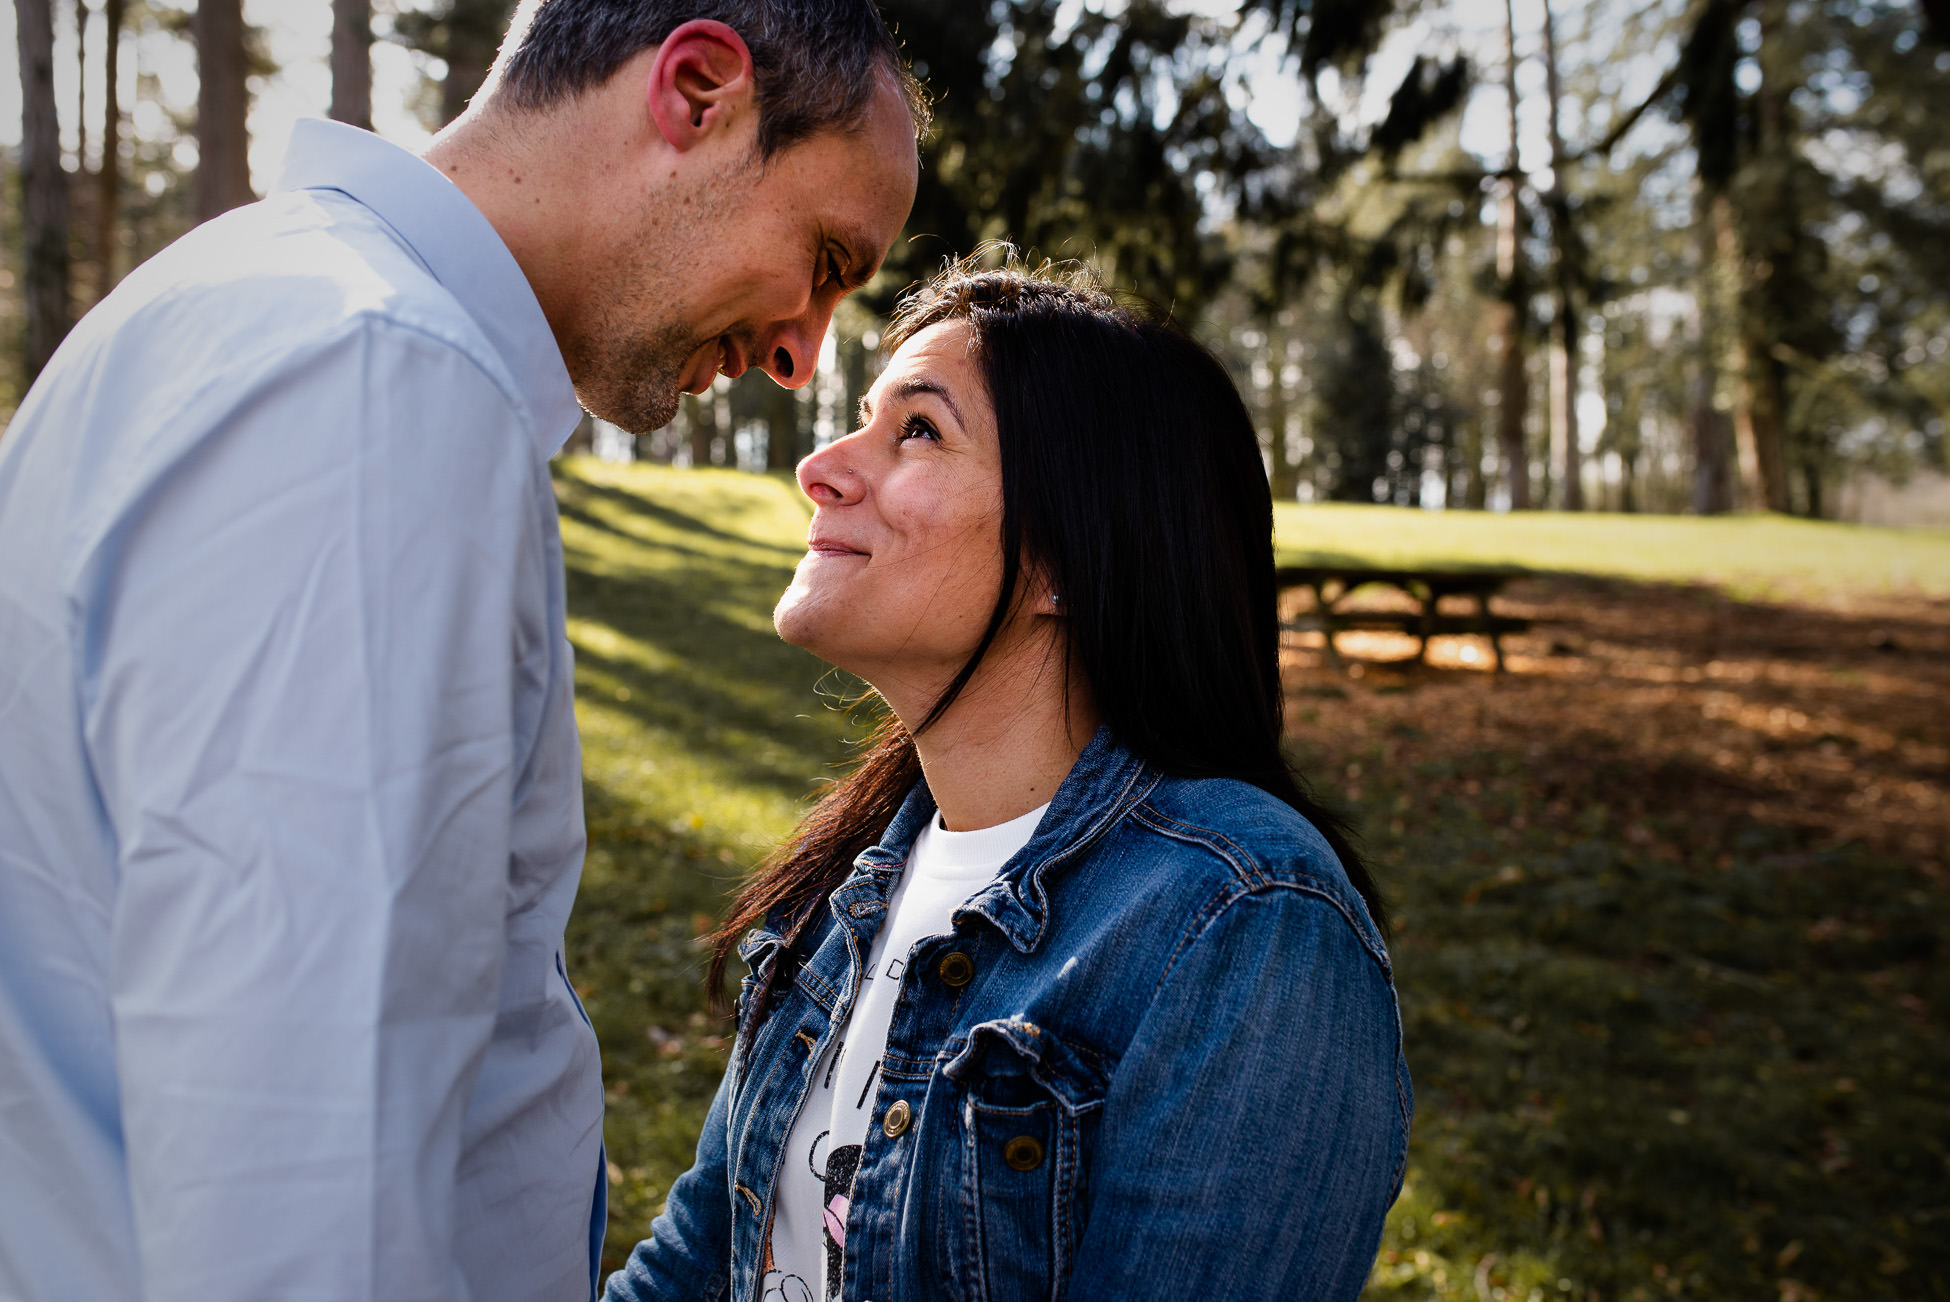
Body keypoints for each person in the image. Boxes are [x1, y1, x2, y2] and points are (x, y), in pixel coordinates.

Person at [0, 2, 921, 1299]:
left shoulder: (264, 297)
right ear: (698, 90)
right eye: (823, 257)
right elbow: (306, 1168)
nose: (797, 352)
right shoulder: (377, 382)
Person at [604, 259, 1412, 1302]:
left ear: (1068, 556)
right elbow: (691, 1269)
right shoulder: (854, 877)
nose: (821, 467)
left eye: (920, 431)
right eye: (863, 419)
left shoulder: (1244, 927)